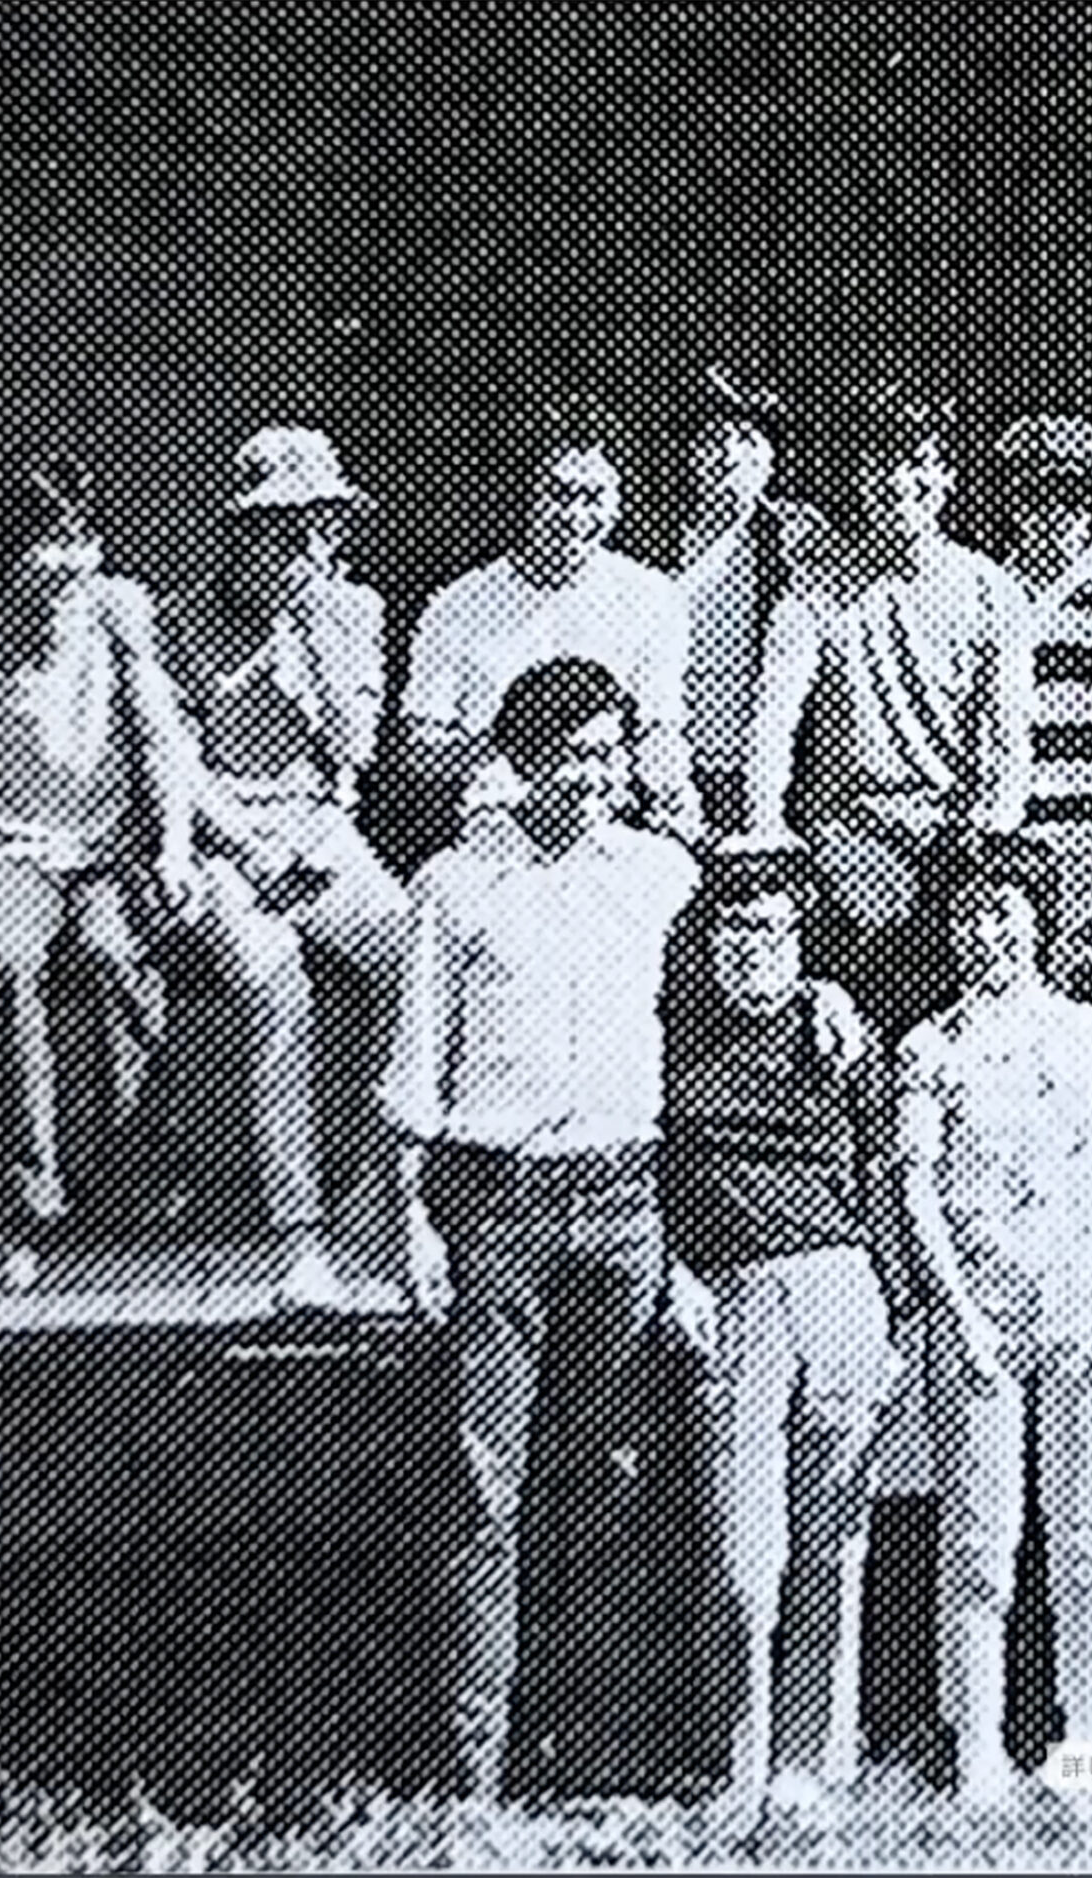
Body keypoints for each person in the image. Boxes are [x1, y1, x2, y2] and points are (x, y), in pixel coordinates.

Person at [379, 657, 709, 1803]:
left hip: (625, 1199)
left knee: (607, 1468)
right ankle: (474, 1770)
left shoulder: (663, 878)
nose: (592, 776)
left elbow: (731, 995)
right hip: (497, 1204)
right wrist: (413, 1225)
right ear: (519, 761)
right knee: (486, 1480)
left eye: (608, 754)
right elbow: (415, 1070)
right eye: (569, 755)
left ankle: (587, 1753)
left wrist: (825, 998)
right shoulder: (455, 885)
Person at [891, 830, 1092, 1809]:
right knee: (980, 1541)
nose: (985, 932)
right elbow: (917, 1193)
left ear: (1039, 920)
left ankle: (1088, 1747)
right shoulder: (930, 1049)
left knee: (1088, 1541)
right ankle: (978, 1751)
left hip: (1082, 1312)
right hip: (982, 1324)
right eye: (967, 915)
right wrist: (960, 1316)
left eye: (1002, 911)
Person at [0, 453, 201, 1284]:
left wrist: (174, 847)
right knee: (6, 958)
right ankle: (23, 1202)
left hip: (105, 853)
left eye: (82, 540)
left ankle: (139, 1177)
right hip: (9, 854)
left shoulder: (120, 610)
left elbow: (162, 740)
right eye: (50, 543)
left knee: (116, 954)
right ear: (6, 551)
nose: (72, 563)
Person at [659, 842, 900, 1829]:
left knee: (831, 1536)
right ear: (708, 941)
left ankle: (812, 1767)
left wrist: (890, 1309)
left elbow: (884, 1177)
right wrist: (674, 1273)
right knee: (742, 1548)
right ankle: (739, 1768)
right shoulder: (671, 1036)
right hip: (733, 1297)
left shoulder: (837, 1035)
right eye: (735, 929)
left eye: (773, 930)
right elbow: (645, 1169)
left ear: (801, 943)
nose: (753, 947)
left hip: (839, 1284)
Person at [160, 425, 409, 1312]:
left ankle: (387, 1208)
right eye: (284, 528)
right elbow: (179, 771)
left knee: (416, 960)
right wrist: (251, 850)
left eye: (321, 528)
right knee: (276, 986)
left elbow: (356, 751)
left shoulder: (354, 612)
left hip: (320, 830)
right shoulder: (181, 622)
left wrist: (316, 637)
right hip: (226, 841)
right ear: (242, 533)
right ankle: (297, 1243)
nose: (306, 547)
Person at [744, 383, 1036, 1047]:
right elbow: (772, 727)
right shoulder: (814, 589)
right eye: (882, 464)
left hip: (954, 835)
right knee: (866, 976)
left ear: (947, 477)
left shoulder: (993, 592)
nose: (901, 483)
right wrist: (768, 831)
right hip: (847, 831)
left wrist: (982, 847)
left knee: (988, 944)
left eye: (920, 463)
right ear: (859, 478)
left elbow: (1007, 747)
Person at [396, 398, 698, 868]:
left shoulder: (652, 598)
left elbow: (658, 727)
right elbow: (420, 747)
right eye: (558, 494)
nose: (574, 518)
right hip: (490, 831)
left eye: (592, 497)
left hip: (609, 827)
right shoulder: (458, 604)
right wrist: (514, 762)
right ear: (527, 495)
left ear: (618, 500)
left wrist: (672, 798)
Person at [993, 413, 1092, 929]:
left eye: (1073, 495)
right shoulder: (988, 591)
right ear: (1013, 501)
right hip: (1013, 834)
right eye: (1037, 495)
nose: (1056, 513)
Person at [676, 366, 827, 838]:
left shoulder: (795, 540)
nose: (728, 457)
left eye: (747, 440)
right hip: (669, 772)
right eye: (712, 440)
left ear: (770, 455)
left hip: (768, 778)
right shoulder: (654, 545)